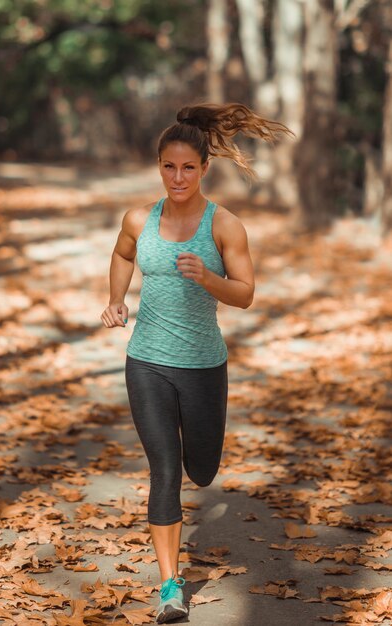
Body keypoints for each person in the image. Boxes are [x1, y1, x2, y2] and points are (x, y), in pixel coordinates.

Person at [100, 102, 293, 624]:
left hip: (204, 364)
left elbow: (246, 293)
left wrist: (209, 278)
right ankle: (169, 586)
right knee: (164, 469)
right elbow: (121, 254)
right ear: (158, 166)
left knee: (201, 470)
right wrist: (116, 300)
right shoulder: (139, 218)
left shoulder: (225, 225)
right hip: (147, 361)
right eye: (168, 166)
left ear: (205, 168)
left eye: (188, 167)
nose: (177, 176)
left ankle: (199, 465)